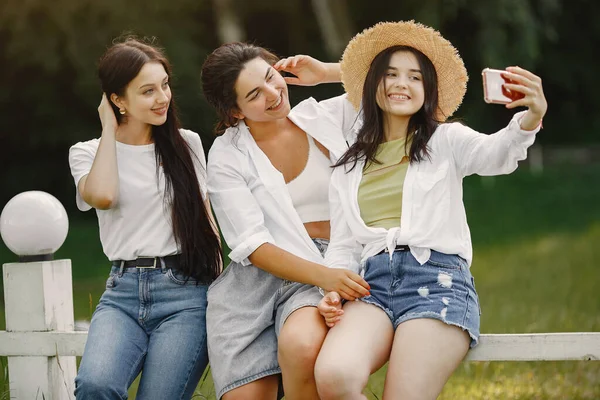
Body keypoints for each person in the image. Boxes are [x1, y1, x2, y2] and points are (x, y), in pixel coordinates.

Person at [310, 21, 547, 400]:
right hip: (370, 288)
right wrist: (335, 286)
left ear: (428, 90)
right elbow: (344, 244)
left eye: (414, 77)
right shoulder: (348, 165)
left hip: (438, 283)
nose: (401, 84)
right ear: (373, 85)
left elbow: (496, 154)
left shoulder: (446, 140)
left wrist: (530, 117)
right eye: (390, 74)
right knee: (334, 377)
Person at [200, 42, 370, 400]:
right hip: (256, 282)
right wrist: (327, 277)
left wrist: (326, 72)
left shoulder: (327, 116)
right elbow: (253, 245)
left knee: (301, 346)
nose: (273, 93)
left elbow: (396, 77)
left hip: (326, 262)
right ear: (235, 112)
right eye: (254, 94)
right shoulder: (228, 155)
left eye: (270, 76)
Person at [68, 37, 222, 399]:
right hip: (121, 293)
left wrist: (219, 292)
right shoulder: (87, 152)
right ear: (117, 100)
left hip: (186, 295)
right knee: (95, 386)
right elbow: (103, 196)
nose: (163, 98)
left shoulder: (188, 144)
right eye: (148, 91)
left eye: (165, 85)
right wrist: (109, 130)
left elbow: (206, 223)